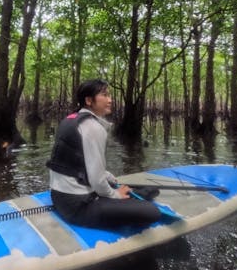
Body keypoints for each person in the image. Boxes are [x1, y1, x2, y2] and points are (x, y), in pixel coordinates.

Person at [47, 79, 161, 228]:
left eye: (109, 95)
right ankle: (130, 197)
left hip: (57, 196)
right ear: (89, 100)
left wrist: (108, 176)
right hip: (78, 206)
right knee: (152, 212)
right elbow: (96, 180)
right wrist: (116, 195)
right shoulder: (93, 127)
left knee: (142, 190)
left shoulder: (71, 120)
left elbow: (80, 162)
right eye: (105, 95)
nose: (110, 100)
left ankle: (133, 194)